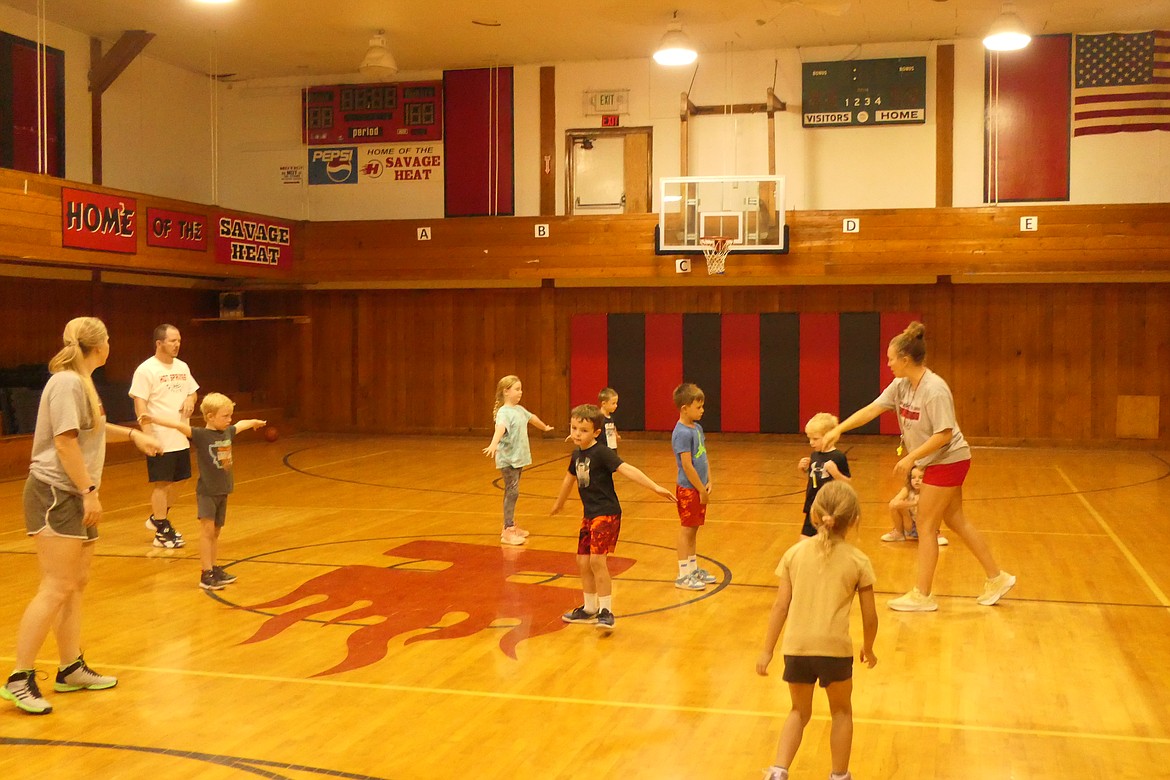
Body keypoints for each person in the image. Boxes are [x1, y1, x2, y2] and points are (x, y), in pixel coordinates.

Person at [2, 317, 163, 716]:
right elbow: (64, 440)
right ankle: (19, 677)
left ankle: (70, 667)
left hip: (75, 493)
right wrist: (88, 491)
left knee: (76, 583)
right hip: (57, 493)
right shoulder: (66, 382)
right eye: (108, 338)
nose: (110, 343)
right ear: (99, 346)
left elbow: (92, 426)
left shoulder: (82, 381)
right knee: (57, 585)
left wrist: (133, 435)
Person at [821, 321, 1015, 612]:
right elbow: (873, 408)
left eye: (891, 359)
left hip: (948, 459)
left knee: (925, 524)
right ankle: (997, 577)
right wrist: (841, 429)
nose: (888, 364)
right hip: (940, 460)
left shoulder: (934, 389)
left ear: (906, 359)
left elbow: (944, 433)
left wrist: (912, 458)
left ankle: (922, 595)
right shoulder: (901, 386)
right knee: (956, 520)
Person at [756, 481, 878, 780]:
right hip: (835, 650)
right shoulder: (858, 560)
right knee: (841, 712)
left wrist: (767, 650)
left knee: (798, 711)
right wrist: (869, 647)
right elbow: (870, 615)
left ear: (815, 515)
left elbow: (780, 607)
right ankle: (838, 775)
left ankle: (779, 771)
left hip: (796, 648)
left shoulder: (794, 554)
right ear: (854, 519)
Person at [551, 404, 675, 630]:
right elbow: (570, 478)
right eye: (575, 428)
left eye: (584, 430)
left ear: (596, 432)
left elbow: (628, 470)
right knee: (582, 561)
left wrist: (655, 487)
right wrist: (559, 503)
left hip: (606, 513)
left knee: (597, 561)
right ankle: (589, 608)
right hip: (589, 515)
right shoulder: (577, 453)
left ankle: (606, 611)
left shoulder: (602, 453)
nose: (578, 433)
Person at [140, 393, 266, 591]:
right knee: (207, 532)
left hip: (223, 491)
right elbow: (177, 425)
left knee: (215, 532)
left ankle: (214, 568)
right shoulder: (200, 435)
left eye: (230, 415)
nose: (229, 420)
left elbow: (241, 424)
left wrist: (254, 422)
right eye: (225, 416)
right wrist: (152, 418)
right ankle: (205, 573)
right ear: (209, 416)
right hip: (207, 492)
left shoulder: (228, 432)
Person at [129, 324, 199, 549]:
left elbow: (192, 390)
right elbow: (139, 401)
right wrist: (147, 434)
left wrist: (191, 398)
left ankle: (157, 517)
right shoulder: (146, 369)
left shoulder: (183, 366)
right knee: (162, 483)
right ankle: (161, 528)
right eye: (172, 341)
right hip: (159, 435)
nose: (177, 344)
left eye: (178, 340)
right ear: (159, 343)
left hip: (180, 434)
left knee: (182, 479)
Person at [482, 375, 553, 546]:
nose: (520, 392)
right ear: (506, 392)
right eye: (517, 389)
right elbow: (501, 428)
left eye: (521, 389)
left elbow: (532, 418)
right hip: (508, 459)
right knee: (512, 492)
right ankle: (508, 530)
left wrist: (544, 427)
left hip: (518, 458)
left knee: (512, 492)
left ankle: (511, 524)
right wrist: (493, 444)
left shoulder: (519, 410)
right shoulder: (504, 412)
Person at [671, 382, 715, 590]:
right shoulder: (681, 433)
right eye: (698, 407)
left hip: (699, 487)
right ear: (684, 408)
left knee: (694, 529)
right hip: (689, 489)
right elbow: (687, 465)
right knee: (686, 530)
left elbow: (703, 456)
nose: (702, 410)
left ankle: (693, 568)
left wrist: (709, 481)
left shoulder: (697, 428)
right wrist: (699, 489)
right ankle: (683, 574)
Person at [798, 412, 852, 537]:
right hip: (813, 505)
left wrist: (835, 473)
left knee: (827, 542)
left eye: (815, 439)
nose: (811, 442)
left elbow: (848, 482)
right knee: (804, 542)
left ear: (829, 436)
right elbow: (816, 477)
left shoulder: (838, 457)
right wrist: (804, 469)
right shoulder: (814, 455)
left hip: (829, 508)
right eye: (809, 438)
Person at [884, 466, 949, 546]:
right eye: (913, 477)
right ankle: (899, 533)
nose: (917, 480)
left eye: (921, 477)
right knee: (897, 506)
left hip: (926, 525)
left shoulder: (931, 491)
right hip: (910, 526)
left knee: (938, 508)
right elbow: (893, 504)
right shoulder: (907, 490)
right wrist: (914, 503)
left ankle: (935, 534)